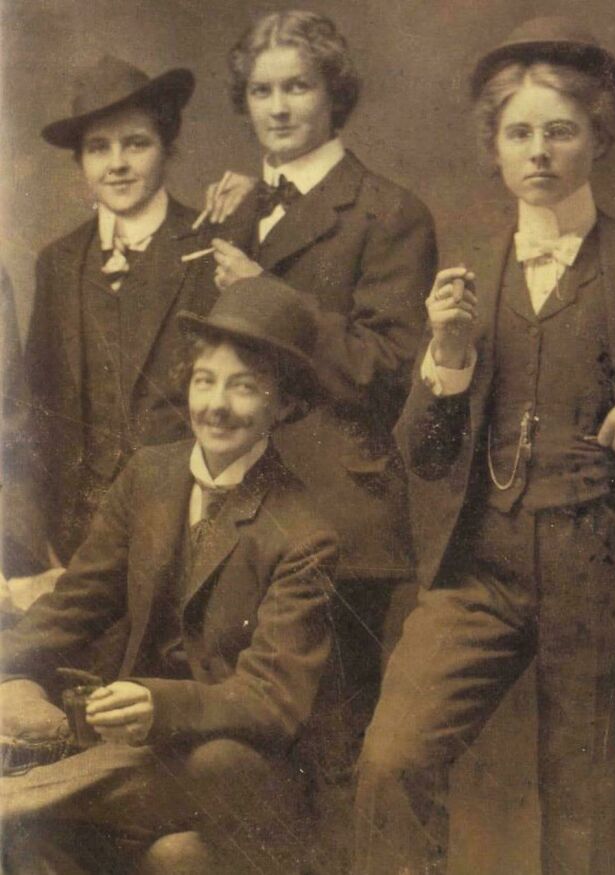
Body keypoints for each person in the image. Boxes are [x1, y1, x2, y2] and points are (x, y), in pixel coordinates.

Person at [354, 17, 615, 875]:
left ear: (598, 138)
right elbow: (427, 457)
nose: (538, 151)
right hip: (483, 566)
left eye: (560, 130)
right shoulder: (465, 263)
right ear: (495, 148)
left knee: (588, 822)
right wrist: (450, 357)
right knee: (390, 762)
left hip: (608, 566)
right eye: (518, 133)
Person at [0, 275, 338, 875]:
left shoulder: (305, 530)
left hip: (241, 766)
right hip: (136, 759)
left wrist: (161, 703)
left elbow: (273, 701)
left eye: (245, 388)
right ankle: (33, 812)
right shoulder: (149, 476)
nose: (216, 405)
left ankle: (19, 803)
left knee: (214, 764)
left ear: (284, 406)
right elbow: (78, 602)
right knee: (153, 854)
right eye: (205, 380)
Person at [198, 9, 438, 805]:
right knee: (240, 765)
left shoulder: (387, 211)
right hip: (237, 517)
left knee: (333, 757)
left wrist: (267, 297)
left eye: (297, 85)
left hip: (338, 520)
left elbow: (385, 371)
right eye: (262, 90)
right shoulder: (233, 210)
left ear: (335, 93)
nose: (278, 106)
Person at [15, 55, 219, 580]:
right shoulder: (59, 262)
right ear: (80, 162)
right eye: (98, 148)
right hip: (77, 529)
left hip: (184, 521)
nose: (117, 164)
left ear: (168, 146)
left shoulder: (210, 247)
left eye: (136, 143)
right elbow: (39, 401)